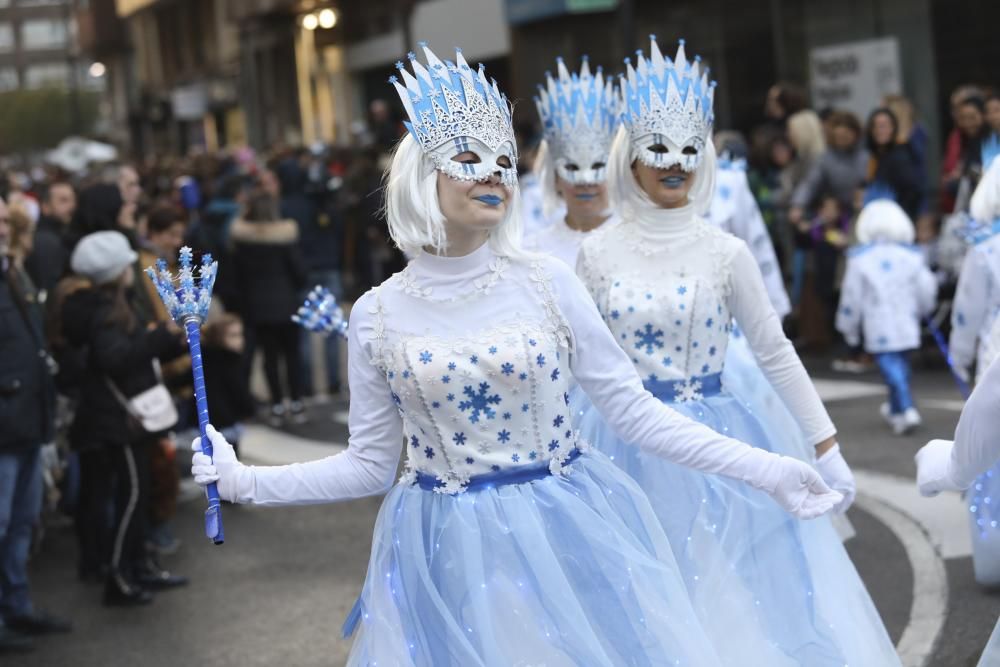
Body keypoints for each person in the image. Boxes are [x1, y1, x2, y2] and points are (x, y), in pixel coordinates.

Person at [190, 44, 841, 666]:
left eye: (505, 159)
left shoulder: (547, 281)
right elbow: (368, 465)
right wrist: (247, 481)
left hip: (569, 533)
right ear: (423, 175)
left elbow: (635, 415)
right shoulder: (376, 313)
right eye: (471, 157)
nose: (496, 171)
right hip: (444, 552)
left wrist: (770, 468)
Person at [574, 36, 897, 666]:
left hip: (729, 434)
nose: (676, 162)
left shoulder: (726, 251)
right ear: (630, 155)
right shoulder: (595, 253)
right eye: (658, 148)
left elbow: (775, 352)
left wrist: (827, 446)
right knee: (652, 590)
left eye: (691, 148)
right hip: (625, 443)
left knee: (752, 585)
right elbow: (577, 365)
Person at [61, 231, 188, 606]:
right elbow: (115, 359)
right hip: (117, 418)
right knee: (131, 495)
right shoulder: (104, 311)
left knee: (137, 492)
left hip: (123, 415)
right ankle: (119, 574)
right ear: (118, 271)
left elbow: (126, 357)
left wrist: (164, 344)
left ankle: (138, 564)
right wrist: (161, 339)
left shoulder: (106, 305)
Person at [0, 196, 71, 653]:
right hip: (6, 426)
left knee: (22, 522)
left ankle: (18, 606)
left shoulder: (12, 271)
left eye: (6, 219)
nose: (4, 227)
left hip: (27, 420)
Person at [836, 198, 937, 435]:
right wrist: (924, 309)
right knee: (901, 365)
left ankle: (907, 407)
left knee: (891, 367)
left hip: (878, 324)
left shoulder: (860, 258)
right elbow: (926, 288)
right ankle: (896, 410)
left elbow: (852, 296)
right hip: (907, 322)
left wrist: (848, 326)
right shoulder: (912, 256)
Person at [228, 179, 308, 426]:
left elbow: (235, 280)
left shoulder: (241, 244)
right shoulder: (285, 239)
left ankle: (276, 403)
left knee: (270, 358)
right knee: (292, 356)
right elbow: (300, 273)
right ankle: (296, 401)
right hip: (287, 305)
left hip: (257, 309)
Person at [526, 56, 619, 266]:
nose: (585, 182)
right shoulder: (534, 252)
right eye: (572, 167)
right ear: (556, 177)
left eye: (597, 166)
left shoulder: (636, 240)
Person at [201, 314, 255, 458]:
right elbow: (239, 391)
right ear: (219, 338)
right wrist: (249, 409)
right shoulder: (230, 362)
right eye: (233, 335)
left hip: (211, 420)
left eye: (240, 335)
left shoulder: (205, 359)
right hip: (226, 421)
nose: (240, 341)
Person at [24, 181, 76, 299]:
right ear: (46, 207)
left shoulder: (61, 234)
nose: (72, 206)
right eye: (63, 200)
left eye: (73, 200)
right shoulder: (45, 240)